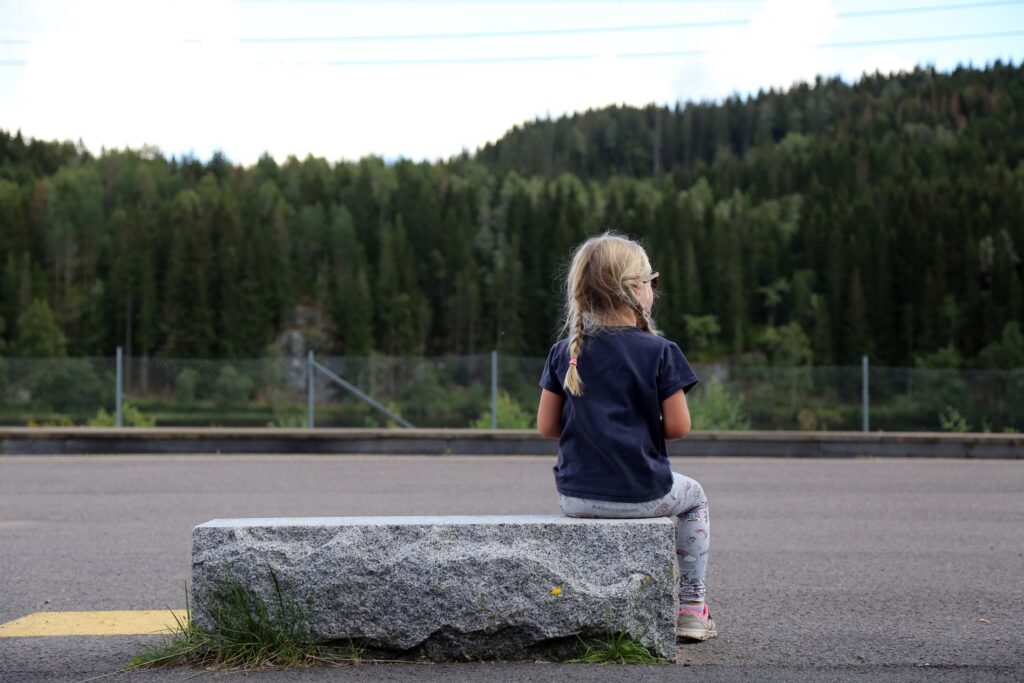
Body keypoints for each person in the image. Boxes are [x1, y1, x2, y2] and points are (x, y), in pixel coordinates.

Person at [536, 231, 716, 642]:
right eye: (651, 281)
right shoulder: (660, 351)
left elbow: (547, 427)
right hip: (644, 494)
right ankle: (691, 606)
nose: (653, 289)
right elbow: (679, 428)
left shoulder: (566, 351)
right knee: (696, 498)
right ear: (637, 290)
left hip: (576, 498)